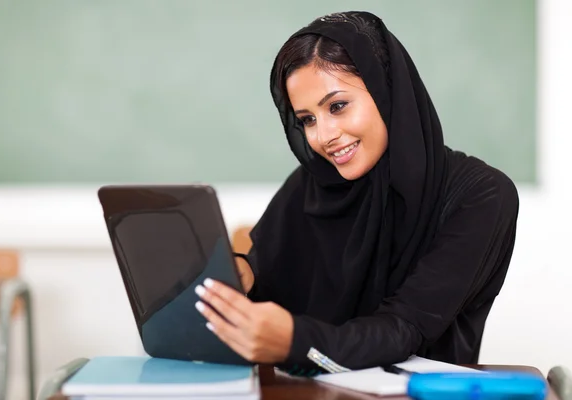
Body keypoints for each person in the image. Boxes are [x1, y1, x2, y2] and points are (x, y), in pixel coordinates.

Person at [193, 11, 519, 375]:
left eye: (337, 106)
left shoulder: (481, 195)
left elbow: (405, 329)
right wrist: (238, 276)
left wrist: (297, 342)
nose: (323, 136)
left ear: (386, 91)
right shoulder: (308, 187)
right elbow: (265, 276)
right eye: (307, 120)